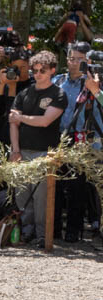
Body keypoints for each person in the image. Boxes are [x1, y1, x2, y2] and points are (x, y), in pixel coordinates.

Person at [9, 50, 67, 247]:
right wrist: (15, 150)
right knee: (22, 194)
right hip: (22, 150)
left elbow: (44, 121)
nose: (38, 74)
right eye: (35, 70)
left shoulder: (58, 94)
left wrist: (21, 118)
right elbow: (12, 122)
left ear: (52, 70)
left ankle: (43, 235)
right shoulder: (24, 93)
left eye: (42, 70)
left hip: (45, 153)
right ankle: (26, 232)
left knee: (42, 198)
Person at [53, 42, 103, 242]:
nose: (73, 63)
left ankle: (74, 231)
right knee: (55, 185)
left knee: (78, 187)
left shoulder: (96, 83)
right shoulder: (58, 81)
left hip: (85, 140)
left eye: (79, 60)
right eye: (71, 58)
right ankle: (54, 229)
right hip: (59, 139)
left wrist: (95, 89)